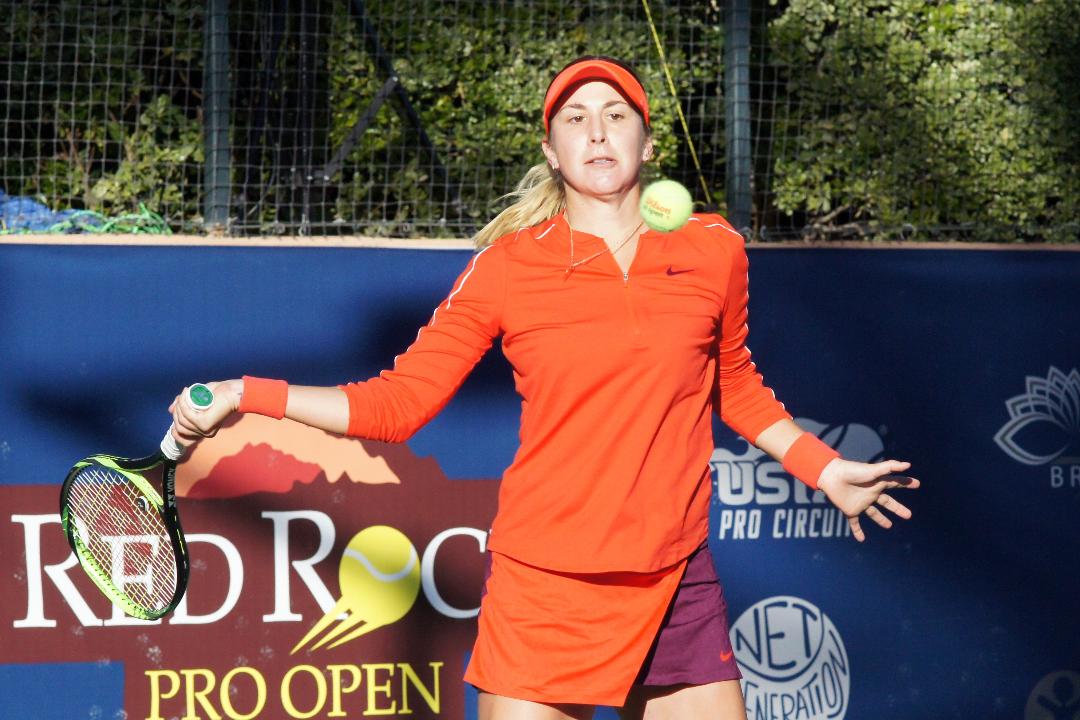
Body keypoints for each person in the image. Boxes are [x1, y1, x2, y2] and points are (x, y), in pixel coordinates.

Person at [170, 56, 920, 720]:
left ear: (647, 145)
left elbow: (736, 385)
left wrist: (825, 469)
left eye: (616, 115)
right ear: (553, 153)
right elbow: (394, 405)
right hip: (545, 587)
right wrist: (244, 392)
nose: (597, 132)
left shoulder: (714, 250)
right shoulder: (507, 268)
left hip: (675, 578)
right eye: (576, 119)